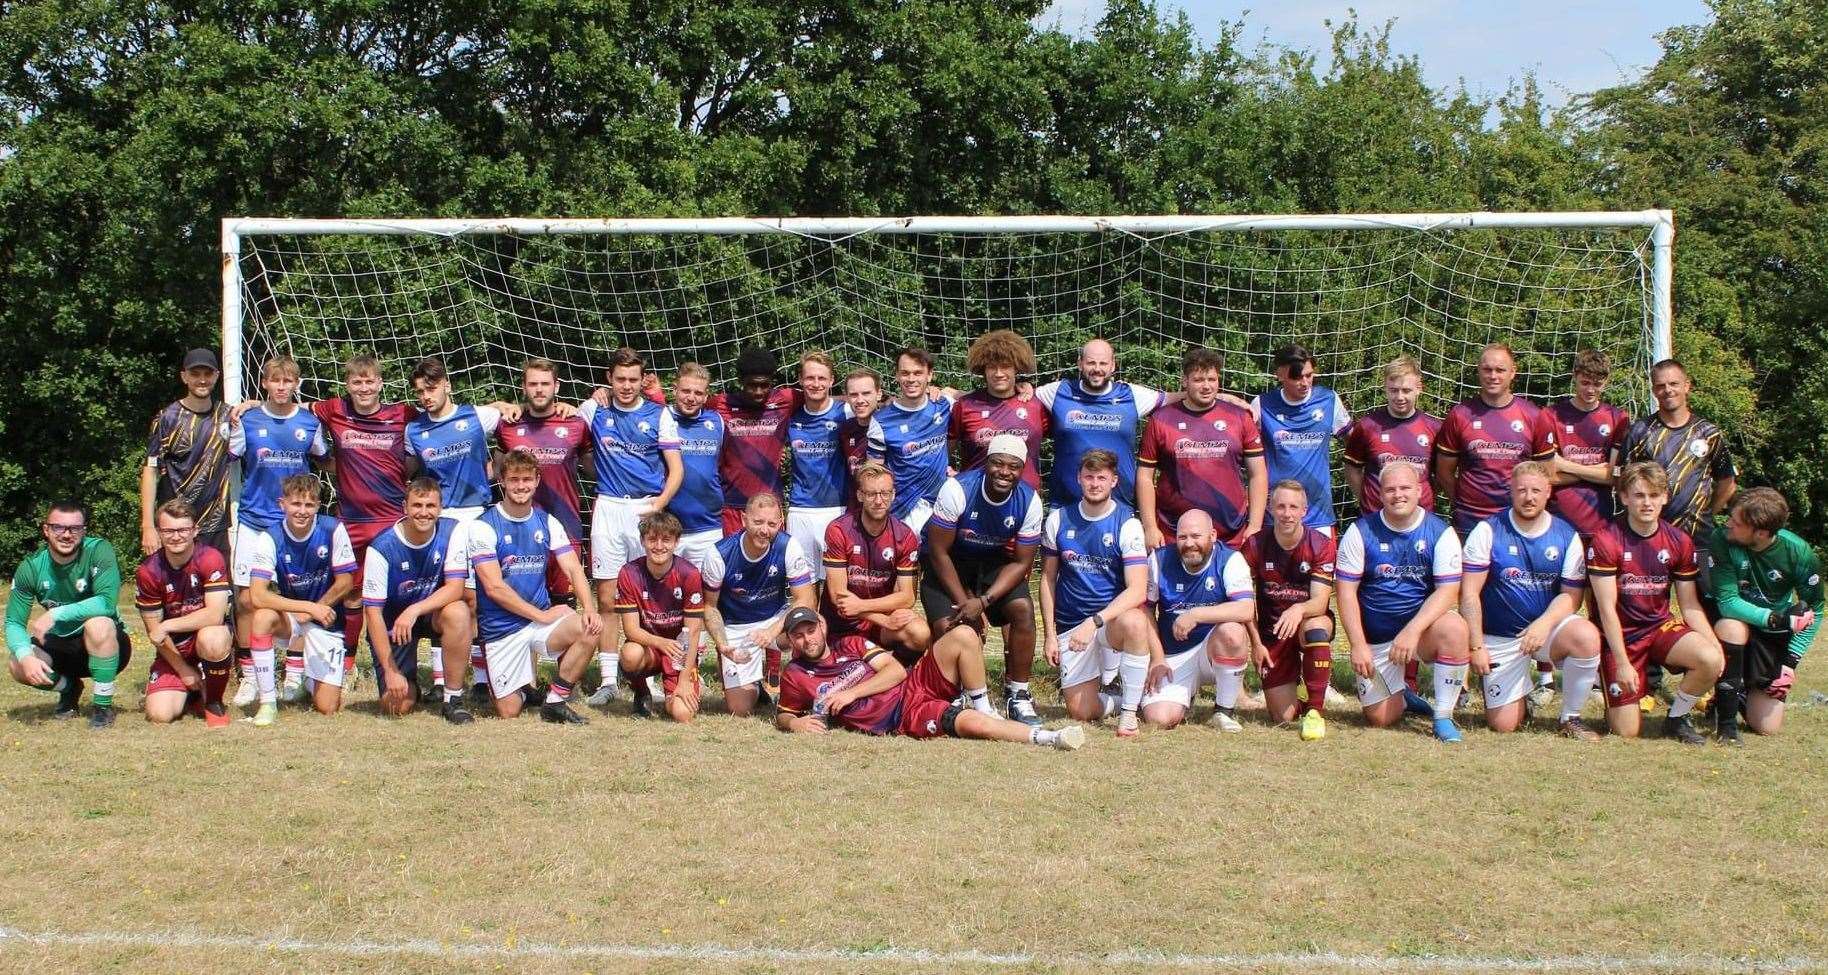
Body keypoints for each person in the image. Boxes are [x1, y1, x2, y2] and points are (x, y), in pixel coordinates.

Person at [773, 608, 1086, 750]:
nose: (807, 639)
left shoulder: (851, 644)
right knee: (971, 727)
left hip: (912, 684)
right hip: (903, 717)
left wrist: (852, 693)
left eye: (810, 630)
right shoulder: (797, 675)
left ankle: (983, 705)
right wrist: (795, 723)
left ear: (822, 627)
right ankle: (1051, 738)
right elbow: (784, 714)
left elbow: (895, 670)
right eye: (797, 636)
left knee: (963, 634)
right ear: (790, 640)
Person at [1459, 462, 1605, 739]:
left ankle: (1570, 718)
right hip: (1500, 636)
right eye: (1522, 490)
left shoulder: (1566, 535)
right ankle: (1520, 698)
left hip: (1546, 632)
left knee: (1586, 635)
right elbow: (1468, 595)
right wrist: (1476, 645)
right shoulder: (1487, 531)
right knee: (1503, 726)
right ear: (1510, 491)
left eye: (1536, 490)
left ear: (1548, 491)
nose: (1529, 497)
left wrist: (1544, 624)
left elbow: (1571, 598)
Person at [1586, 463, 1724, 743]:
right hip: (1621, 636)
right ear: (1624, 497)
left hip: (1659, 627)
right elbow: (1606, 610)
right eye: (1638, 495)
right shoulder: (1606, 540)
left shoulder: (1679, 540)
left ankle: (1677, 719)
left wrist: (1715, 647)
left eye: (1653, 495)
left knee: (1709, 659)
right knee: (1626, 732)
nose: (1646, 502)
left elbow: (1690, 605)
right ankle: (1619, 696)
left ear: (1665, 497)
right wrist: (1623, 663)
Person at [1335, 460, 1471, 742]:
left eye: (1405, 488)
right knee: (1381, 718)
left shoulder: (1440, 532)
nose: (1398, 495)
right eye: (1391, 489)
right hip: (1377, 639)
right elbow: (1345, 592)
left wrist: (1412, 631)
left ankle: (1443, 716)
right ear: (1380, 494)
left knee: (1455, 627)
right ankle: (1404, 698)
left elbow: (1448, 592)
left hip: (1419, 636)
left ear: (1420, 490)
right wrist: (1358, 645)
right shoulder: (1359, 531)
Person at [311, 353, 420, 699]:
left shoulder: (402, 414)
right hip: (351, 519)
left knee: (399, 593)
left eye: (370, 381)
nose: (364, 388)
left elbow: (438, 416)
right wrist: (253, 403)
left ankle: (406, 667)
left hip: (391, 520)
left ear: (380, 384)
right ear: (347, 385)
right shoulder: (333, 410)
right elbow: (291, 406)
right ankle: (346, 665)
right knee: (352, 592)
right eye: (357, 382)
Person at [577, 347, 682, 703]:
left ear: (643, 380)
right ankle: (608, 680)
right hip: (607, 507)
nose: (625, 386)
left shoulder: (659, 414)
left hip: (645, 509)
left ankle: (646, 674)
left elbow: (676, 469)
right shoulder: (594, 409)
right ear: (608, 379)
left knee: (648, 597)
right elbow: (560, 423)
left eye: (632, 379)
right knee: (607, 597)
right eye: (619, 379)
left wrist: (658, 507)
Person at [467, 449, 601, 723]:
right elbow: (494, 588)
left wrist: (589, 608)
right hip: (501, 629)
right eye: (514, 479)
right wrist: (542, 615)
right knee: (509, 711)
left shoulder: (547, 521)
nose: (521, 486)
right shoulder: (483, 526)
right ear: (502, 481)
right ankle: (526, 691)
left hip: (538, 624)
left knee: (590, 626)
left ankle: (555, 700)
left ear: (537, 480)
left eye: (527, 479)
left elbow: (573, 568)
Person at [226, 354, 329, 707]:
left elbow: (322, 458)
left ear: (296, 384)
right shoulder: (248, 420)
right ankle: (250, 676)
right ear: (265, 384)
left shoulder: (309, 422)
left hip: (294, 523)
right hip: (255, 520)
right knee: (245, 599)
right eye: (275, 380)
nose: (282, 387)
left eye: (288, 381)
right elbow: (225, 455)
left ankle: (296, 673)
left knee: (300, 593)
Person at [921, 434, 1045, 724]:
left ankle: (1019, 695)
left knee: (1023, 610)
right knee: (948, 624)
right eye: (998, 463)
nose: (1004, 471)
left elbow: (1023, 562)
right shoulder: (958, 489)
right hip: (949, 560)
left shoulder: (1030, 500)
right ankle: (953, 693)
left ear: (1022, 468)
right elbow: (938, 551)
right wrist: (967, 605)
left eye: (1013, 466)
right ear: (986, 463)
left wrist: (984, 601)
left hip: (992, 562)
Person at [1040, 449, 1161, 737]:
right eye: (1089, 477)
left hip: (1109, 623)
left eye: (1102, 478)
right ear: (1079, 479)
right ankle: (1121, 696)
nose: (1095, 484)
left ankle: (1129, 715)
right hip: (1071, 625)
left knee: (1135, 620)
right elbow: (1047, 579)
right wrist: (1048, 635)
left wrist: (1094, 621)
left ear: (1114, 481)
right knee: (1081, 712)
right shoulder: (1058, 519)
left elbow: (1137, 590)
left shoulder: (1128, 524)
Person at [1705, 488, 1822, 742]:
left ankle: (1743, 694)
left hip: (1770, 634)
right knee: (1731, 626)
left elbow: (1816, 609)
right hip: (1734, 623)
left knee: (1767, 727)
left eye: (1737, 523)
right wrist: (1777, 619)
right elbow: (1728, 603)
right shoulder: (1721, 539)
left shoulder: (1799, 553)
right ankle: (1724, 702)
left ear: (1761, 533)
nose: (1728, 524)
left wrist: (1790, 662)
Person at [5, 500, 130, 728]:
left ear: (84, 530)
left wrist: (55, 614)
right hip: (60, 643)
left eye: (74, 528)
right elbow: (13, 622)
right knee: (16, 663)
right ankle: (69, 688)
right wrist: (25, 655)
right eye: (58, 527)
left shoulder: (99, 550)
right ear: (46, 530)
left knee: (99, 623)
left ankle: (102, 706)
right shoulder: (31, 567)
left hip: (106, 643)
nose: (66, 534)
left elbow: (106, 603)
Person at [243, 474, 357, 721]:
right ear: (282, 504)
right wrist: (307, 608)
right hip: (294, 617)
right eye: (296, 504)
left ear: (318, 505)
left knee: (328, 707)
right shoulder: (269, 538)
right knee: (262, 617)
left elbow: (347, 581)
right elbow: (257, 594)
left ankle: (308, 676)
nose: (302, 511)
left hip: (327, 620)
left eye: (309, 504)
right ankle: (268, 703)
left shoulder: (333, 529)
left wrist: (317, 609)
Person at [361, 478, 474, 721]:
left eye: (430, 506)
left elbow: (455, 588)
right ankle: (409, 680)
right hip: (394, 624)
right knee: (396, 706)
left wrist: (415, 609)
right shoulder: (381, 548)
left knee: (459, 610)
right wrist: (391, 672)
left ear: (440, 508)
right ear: (405, 507)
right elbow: (372, 613)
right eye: (417, 505)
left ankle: (453, 697)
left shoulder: (453, 531)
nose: (424, 512)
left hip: (429, 613)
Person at [1137, 346, 1266, 549]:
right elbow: (1145, 476)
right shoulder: (1161, 419)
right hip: (1174, 533)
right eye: (1198, 380)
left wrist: (1255, 525)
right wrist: (1150, 527)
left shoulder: (1240, 417)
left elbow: (1258, 474)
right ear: (1185, 381)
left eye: (1212, 379)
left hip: (1231, 532)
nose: (1206, 386)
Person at [1138, 509, 1256, 732]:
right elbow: (1145, 612)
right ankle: (1184, 696)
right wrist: (1157, 657)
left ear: (1212, 535)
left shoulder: (1231, 559)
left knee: (1232, 631)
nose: (1189, 543)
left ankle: (1224, 711)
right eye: (1182, 537)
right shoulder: (1159, 559)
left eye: (1196, 536)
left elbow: (1246, 609)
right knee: (1158, 719)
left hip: (1212, 654)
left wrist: (1196, 614)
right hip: (1172, 656)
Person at [700, 494, 816, 717]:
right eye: (758, 522)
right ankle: (755, 686)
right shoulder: (719, 554)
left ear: (780, 524)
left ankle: (804, 688)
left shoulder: (788, 545)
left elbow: (806, 599)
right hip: (735, 625)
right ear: (744, 520)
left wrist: (771, 631)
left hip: (775, 620)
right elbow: (710, 607)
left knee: (812, 624)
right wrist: (722, 644)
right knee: (739, 709)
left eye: (772, 524)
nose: (765, 530)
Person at [1239, 481, 1338, 741]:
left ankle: (1316, 710)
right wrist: (1255, 643)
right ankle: (1302, 691)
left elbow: (1320, 602)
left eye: (1293, 507)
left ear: (1304, 510)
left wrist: (1298, 609)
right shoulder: (1254, 545)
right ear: (1271, 509)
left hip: (1305, 622)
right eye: (1281, 506)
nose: (1287, 513)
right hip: (1272, 634)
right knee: (1282, 717)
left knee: (1316, 626)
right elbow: (1242, 600)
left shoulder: (1321, 544)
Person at [1435, 343, 1558, 537]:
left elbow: (1547, 473)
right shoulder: (1460, 415)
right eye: (1487, 369)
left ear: (1512, 372)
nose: (1493, 376)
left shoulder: (1534, 416)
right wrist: (1464, 501)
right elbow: (1443, 472)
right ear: (1479, 371)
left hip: (1516, 520)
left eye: (1500, 370)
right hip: (1470, 520)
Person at [495, 358, 591, 605]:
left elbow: (595, 469)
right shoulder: (508, 425)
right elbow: (496, 471)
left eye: (545, 384)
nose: (539, 389)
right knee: (521, 604)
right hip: (519, 530)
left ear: (556, 387)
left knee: (564, 606)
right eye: (533, 384)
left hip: (566, 524)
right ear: (523, 387)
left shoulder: (576, 424)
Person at [1035, 338, 1168, 509]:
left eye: (1103, 363)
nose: (1097, 369)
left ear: (1113, 366)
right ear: (1080, 364)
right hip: (1064, 507)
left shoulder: (1131, 394)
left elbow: (1173, 399)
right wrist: (1024, 387)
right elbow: (1021, 400)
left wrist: (1213, 398)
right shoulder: (1058, 391)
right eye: (1091, 363)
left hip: (1119, 506)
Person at [1614, 358, 1737, 542]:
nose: (1668, 390)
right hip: (1651, 538)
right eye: (1661, 386)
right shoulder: (1640, 431)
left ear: (1686, 386)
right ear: (1654, 391)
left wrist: (1706, 513)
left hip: (1699, 538)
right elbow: (1620, 480)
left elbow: (1727, 483)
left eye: (1673, 384)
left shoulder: (1708, 433)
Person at [135, 500, 233, 726]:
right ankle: (193, 691)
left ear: (195, 530)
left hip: (204, 639)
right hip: (174, 649)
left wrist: (168, 625)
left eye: (183, 530)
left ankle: (214, 703)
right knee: (160, 715)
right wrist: (183, 669)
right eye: (168, 530)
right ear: (159, 532)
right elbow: (155, 633)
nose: (176, 536)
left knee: (214, 637)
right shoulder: (148, 571)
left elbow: (214, 615)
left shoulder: (210, 557)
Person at [820, 463, 930, 661]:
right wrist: (883, 619)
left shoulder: (904, 536)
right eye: (871, 494)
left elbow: (907, 598)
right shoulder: (839, 530)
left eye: (885, 493)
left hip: (879, 624)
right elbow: (839, 598)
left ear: (893, 494)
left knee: (920, 632)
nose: (879, 501)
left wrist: (862, 606)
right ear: (860, 495)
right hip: (841, 624)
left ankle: (899, 676)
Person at [615, 511, 708, 722]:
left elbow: (693, 632)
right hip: (649, 647)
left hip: (680, 652)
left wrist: (684, 680)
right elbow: (631, 630)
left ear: (676, 542)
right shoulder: (629, 573)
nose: (659, 546)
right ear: (642, 541)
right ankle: (641, 693)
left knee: (682, 715)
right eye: (652, 539)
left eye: (666, 539)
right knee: (629, 654)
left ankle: (675, 689)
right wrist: (662, 642)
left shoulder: (689, 573)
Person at [140, 347, 232, 558]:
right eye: (195, 374)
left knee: (219, 590)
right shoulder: (167, 418)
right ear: (184, 377)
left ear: (217, 376)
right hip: (176, 525)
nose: (202, 380)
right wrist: (147, 526)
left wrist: (253, 404)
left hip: (214, 525)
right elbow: (151, 470)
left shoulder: (228, 415)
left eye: (207, 374)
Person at [1251, 345, 1350, 534]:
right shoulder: (1262, 405)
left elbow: (1356, 442)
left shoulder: (1329, 400)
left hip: (1318, 516)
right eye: (1297, 377)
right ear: (1280, 375)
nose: (1305, 382)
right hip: (1276, 516)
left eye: (1309, 375)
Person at [867, 346, 956, 533]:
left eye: (918, 373)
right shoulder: (881, 420)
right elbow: (874, 473)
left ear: (930, 375)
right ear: (897, 376)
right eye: (905, 373)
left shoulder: (943, 404)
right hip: (902, 510)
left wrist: (1020, 385)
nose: (911, 379)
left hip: (941, 505)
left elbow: (980, 398)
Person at [1342, 356, 1441, 517]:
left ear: (1419, 388)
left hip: (1420, 519)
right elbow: (1352, 468)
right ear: (1385, 388)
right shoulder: (1367, 426)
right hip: (1375, 519)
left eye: (1406, 390)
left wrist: (1425, 494)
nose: (1400, 397)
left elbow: (1441, 474)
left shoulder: (1434, 428)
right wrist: (1366, 499)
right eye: (1393, 390)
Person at [1548, 349, 1631, 540]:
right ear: (1574, 376)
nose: (1591, 390)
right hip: (1557, 522)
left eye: (1597, 384)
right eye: (1585, 383)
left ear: (1607, 381)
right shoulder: (1551, 415)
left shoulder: (1618, 419)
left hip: (1601, 523)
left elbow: (1613, 476)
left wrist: (1564, 465)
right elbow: (1547, 475)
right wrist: (1596, 471)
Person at [784, 351, 854, 575]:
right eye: (810, 378)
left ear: (832, 380)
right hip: (800, 509)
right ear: (800, 380)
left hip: (838, 508)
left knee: (836, 581)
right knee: (804, 580)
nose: (816, 384)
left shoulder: (846, 412)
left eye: (822, 378)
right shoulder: (790, 416)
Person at [951, 329, 1047, 489]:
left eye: (1005, 367)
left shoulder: (1036, 405)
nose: (998, 373)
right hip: (975, 497)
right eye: (992, 367)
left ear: (1017, 367)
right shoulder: (965, 405)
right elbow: (946, 452)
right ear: (983, 369)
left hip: (1025, 499)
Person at [664, 363, 728, 568]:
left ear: (706, 395)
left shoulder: (717, 421)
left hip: (708, 527)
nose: (691, 398)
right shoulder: (661, 418)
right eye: (686, 391)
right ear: (674, 389)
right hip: (667, 528)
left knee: (708, 595)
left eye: (698, 393)